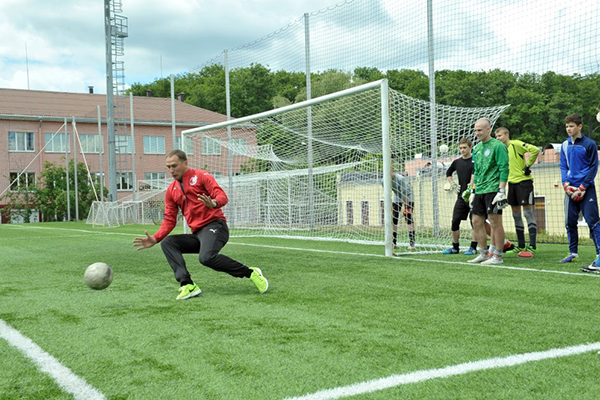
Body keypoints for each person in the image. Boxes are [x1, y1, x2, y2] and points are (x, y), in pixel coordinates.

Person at [133, 149, 268, 300]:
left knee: (206, 258)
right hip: (198, 234)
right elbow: (170, 220)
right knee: (168, 243)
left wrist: (214, 203)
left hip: (216, 226)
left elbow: (221, 195)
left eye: (174, 166)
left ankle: (250, 272)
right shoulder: (171, 190)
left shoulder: (201, 176)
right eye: (168, 167)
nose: (171, 170)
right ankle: (187, 285)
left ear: (185, 163)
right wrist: (156, 238)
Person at [559, 114, 600, 272]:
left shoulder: (589, 144)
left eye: (571, 126)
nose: (569, 129)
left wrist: (583, 187)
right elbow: (563, 166)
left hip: (586, 188)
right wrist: (566, 185)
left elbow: (593, 167)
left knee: (593, 221)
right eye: (567, 126)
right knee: (569, 222)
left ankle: (599, 254)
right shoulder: (564, 145)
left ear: (579, 127)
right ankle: (573, 253)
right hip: (570, 188)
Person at [467, 117, 509, 265]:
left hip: (494, 189)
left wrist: (501, 190)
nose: (477, 133)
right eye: (475, 130)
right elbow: (476, 171)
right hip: (479, 190)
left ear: (488, 129)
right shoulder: (477, 148)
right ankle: (483, 253)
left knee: (494, 221)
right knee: (476, 221)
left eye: (479, 130)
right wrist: (473, 190)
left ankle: (498, 255)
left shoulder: (498, 146)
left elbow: (504, 168)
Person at [494, 127, 540, 258]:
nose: (498, 138)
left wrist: (527, 166)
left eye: (500, 136)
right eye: (496, 136)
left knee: (528, 213)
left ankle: (532, 246)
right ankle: (520, 245)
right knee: (516, 215)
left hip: (524, 183)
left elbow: (535, 150)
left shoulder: (516, 144)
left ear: (507, 135)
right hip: (511, 184)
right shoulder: (500, 150)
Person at [442, 138, 481, 255]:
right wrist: (452, 184)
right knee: (455, 221)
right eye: (460, 148)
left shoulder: (476, 160)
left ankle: (473, 247)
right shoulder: (457, 162)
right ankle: (455, 247)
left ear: (470, 148)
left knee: (474, 222)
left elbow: (475, 176)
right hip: (461, 197)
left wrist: (471, 189)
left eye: (464, 148)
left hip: (474, 195)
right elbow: (448, 173)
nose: (462, 150)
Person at [389, 167, 416, 251]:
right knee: (394, 217)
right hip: (397, 195)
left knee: (408, 216)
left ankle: (412, 243)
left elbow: (405, 194)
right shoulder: (383, 180)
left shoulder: (400, 179)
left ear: (392, 171)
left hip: (408, 194)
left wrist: (407, 207)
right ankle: (393, 242)